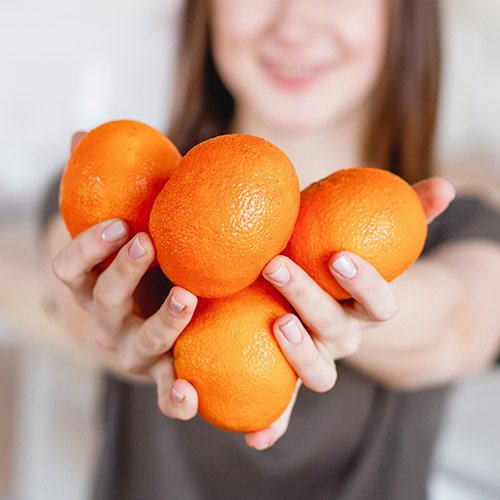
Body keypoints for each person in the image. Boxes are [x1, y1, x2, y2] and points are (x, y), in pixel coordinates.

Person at [41, 1, 500, 499]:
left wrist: (338, 298)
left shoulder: (462, 227)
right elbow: (68, 295)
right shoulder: (136, 192)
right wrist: (127, 315)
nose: (294, 25)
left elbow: (460, 322)